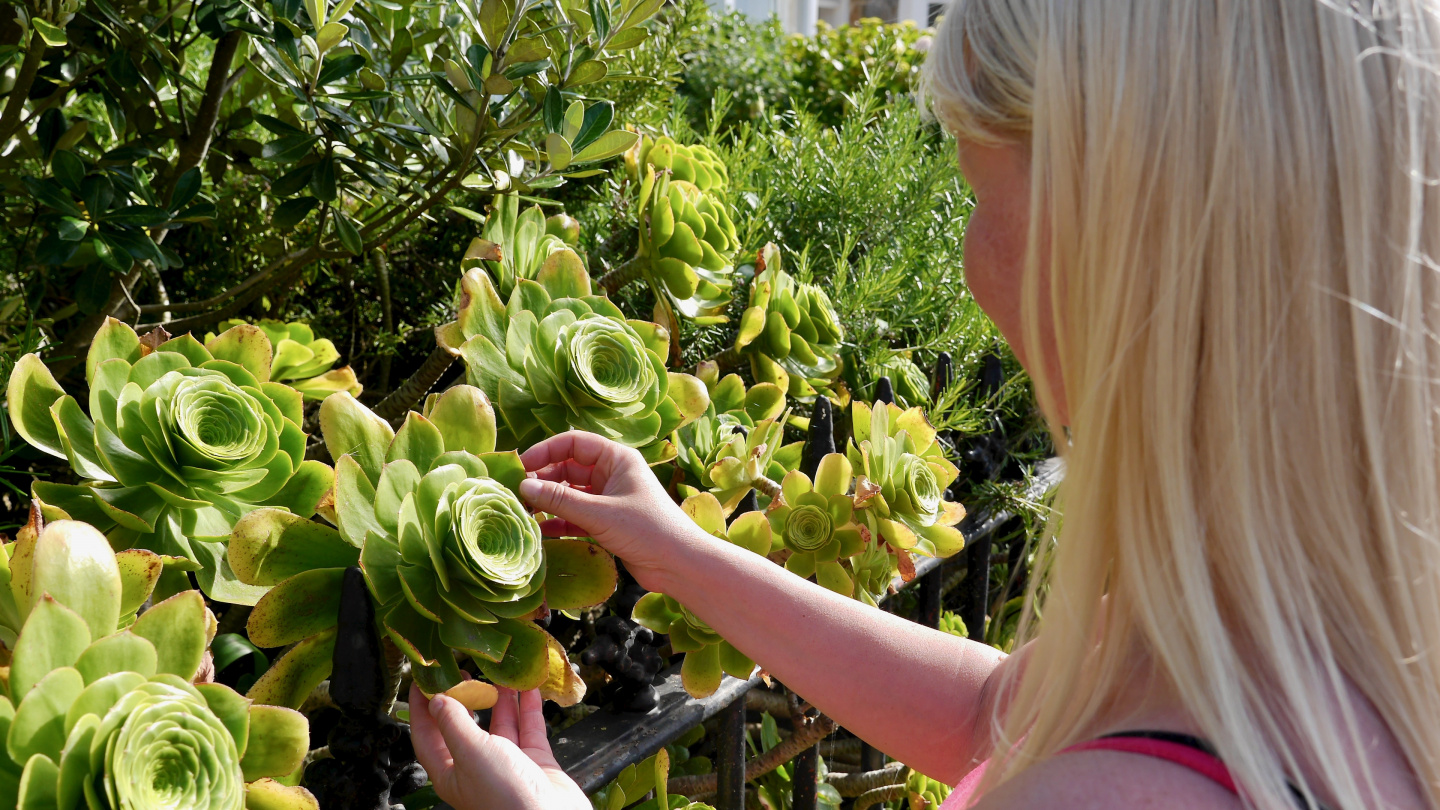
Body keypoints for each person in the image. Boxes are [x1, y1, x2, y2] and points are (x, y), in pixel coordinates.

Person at [408, 0, 1440, 807]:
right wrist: (683, 553)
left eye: (980, 193)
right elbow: (1001, 711)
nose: (969, 253)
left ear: (1123, 236)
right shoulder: (1320, 627)